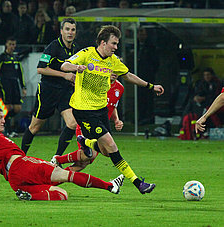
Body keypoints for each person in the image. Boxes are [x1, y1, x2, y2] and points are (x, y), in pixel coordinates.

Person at [60, 25, 164, 194]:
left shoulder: (113, 61)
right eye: (113, 43)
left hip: (101, 111)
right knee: (112, 145)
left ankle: (84, 141)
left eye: (117, 44)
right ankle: (138, 183)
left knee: (107, 152)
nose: (116, 47)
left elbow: (128, 75)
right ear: (103, 43)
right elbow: (65, 65)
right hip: (84, 110)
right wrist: (76, 67)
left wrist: (150, 86)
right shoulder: (87, 54)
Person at [0, 106, 124, 201]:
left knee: (61, 194)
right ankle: (110, 186)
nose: (3, 120)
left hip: (17, 180)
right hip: (21, 166)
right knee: (65, 175)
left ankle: (28, 196)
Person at [21, 18, 79, 157]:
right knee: (34, 127)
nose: (70, 32)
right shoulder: (53, 47)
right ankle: (19, 157)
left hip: (65, 91)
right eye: (67, 29)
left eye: (73, 30)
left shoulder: (76, 49)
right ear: (61, 31)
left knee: (72, 124)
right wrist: (64, 75)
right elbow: (40, 69)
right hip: (48, 91)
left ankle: (57, 158)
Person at [51, 73, 124, 172]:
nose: (115, 73)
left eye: (117, 71)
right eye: (112, 70)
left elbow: (112, 106)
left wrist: (116, 120)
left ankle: (53, 173)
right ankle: (57, 160)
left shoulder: (119, 88)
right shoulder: (95, 83)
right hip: (87, 123)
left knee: (84, 162)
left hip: (102, 128)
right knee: (88, 156)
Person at [0, 36, 26, 137]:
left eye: (14, 44)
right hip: (5, 84)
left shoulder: (16, 58)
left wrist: (23, 87)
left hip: (15, 84)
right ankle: (8, 130)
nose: (12, 46)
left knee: (17, 108)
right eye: (10, 44)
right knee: (7, 107)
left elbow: (20, 74)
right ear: (6, 45)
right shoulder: (1, 57)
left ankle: (4, 125)